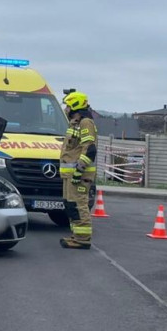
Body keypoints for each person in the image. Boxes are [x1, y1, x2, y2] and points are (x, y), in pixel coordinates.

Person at [59, 91, 98, 250]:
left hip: (79, 175)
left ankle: (83, 239)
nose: (66, 109)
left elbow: (90, 150)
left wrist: (78, 172)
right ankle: (76, 236)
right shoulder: (76, 123)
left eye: (68, 106)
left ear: (74, 105)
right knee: (71, 205)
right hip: (70, 175)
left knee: (79, 204)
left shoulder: (85, 123)